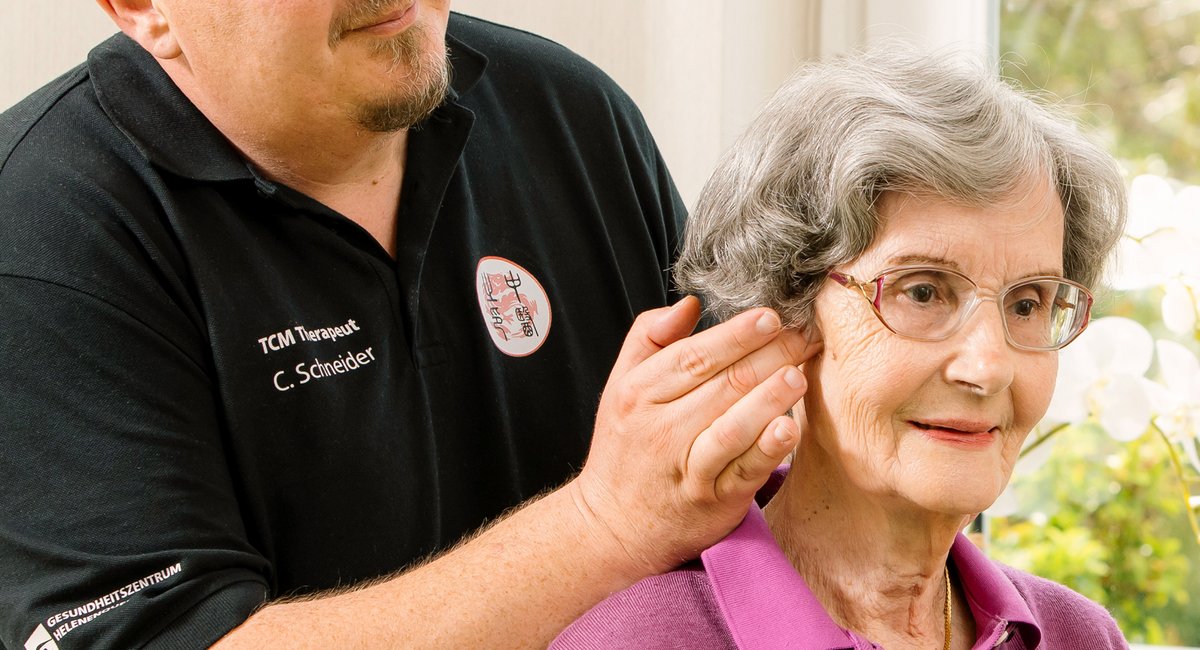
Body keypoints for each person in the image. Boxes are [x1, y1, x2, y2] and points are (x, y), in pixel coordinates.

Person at [0, 2, 820, 648]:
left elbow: (754, 480)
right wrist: (605, 525)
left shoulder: (573, 114)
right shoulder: (42, 231)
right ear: (142, 6)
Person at [552, 49, 1130, 649]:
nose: (987, 368)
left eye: (1028, 303)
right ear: (784, 313)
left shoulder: (1080, 635)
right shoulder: (642, 639)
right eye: (924, 291)